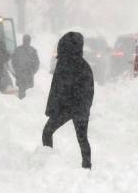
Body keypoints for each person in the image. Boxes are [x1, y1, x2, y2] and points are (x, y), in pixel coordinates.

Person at [43, 31, 94, 169]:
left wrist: (54, 109)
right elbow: (88, 92)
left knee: (47, 132)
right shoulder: (83, 66)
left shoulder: (65, 65)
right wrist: (83, 109)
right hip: (76, 109)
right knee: (82, 138)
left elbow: (57, 90)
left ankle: (49, 163)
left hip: (66, 108)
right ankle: (86, 166)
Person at [11, 34, 41, 100]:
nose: (26, 42)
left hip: (22, 76)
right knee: (29, 95)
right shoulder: (32, 50)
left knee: (23, 95)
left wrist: (17, 71)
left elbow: (13, 62)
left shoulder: (18, 50)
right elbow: (37, 63)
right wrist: (32, 71)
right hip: (28, 76)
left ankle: (23, 107)